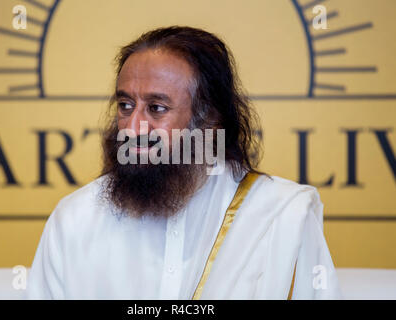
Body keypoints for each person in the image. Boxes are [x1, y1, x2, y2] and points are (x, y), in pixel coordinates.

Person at [26, 26, 342, 299]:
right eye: (125, 105)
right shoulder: (75, 219)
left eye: (156, 108)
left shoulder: (283, 216)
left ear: (209, 120)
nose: (133, 127)